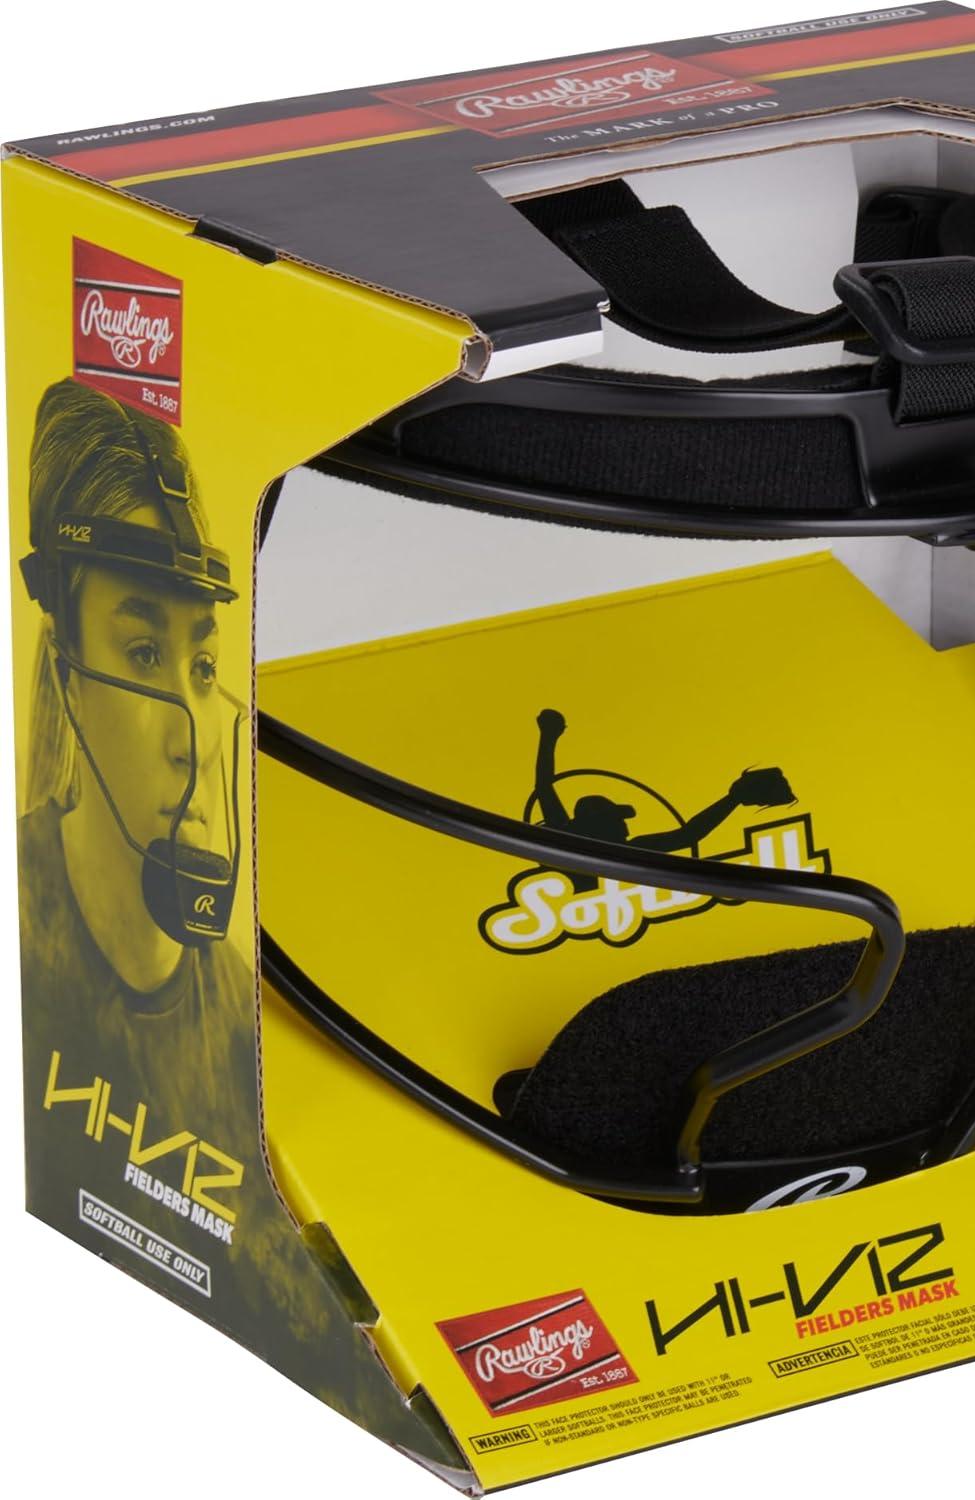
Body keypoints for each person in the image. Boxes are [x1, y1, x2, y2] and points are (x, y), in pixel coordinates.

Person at [16, 379, 448, 1461]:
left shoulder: (241, 983)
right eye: (141, 654)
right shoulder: (29, 930)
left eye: (203, 662)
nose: (190, 729)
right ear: (66, 671)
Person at [533, 706, 796, 890]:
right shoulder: (570, 845)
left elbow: (687, 835)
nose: (625, 824)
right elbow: (544, 788)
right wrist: (548, 737)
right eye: (616, 819)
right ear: (595, 825)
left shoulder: (631, 851)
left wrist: (732, 800)